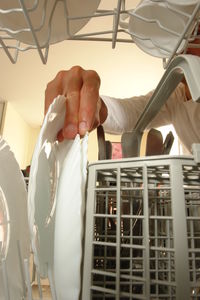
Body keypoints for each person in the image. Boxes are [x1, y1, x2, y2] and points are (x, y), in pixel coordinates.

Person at [44, 34, 200, 154]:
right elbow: (127, 115)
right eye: (182, 36)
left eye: (196, 33)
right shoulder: (174, 96)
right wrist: (95, 105)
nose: (184, 44)